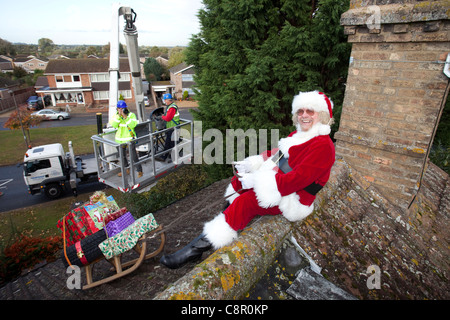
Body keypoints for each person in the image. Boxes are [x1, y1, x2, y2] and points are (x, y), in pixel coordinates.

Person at [160, 90, 336, 269]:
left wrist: (256, 181)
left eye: (310, 111)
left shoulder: (323, 146)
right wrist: (252, 164)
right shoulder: (297, 135)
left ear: (321, 115)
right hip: (280, 183)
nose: (304, 115)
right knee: (237, 183)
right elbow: (276, 156)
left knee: (246, 202)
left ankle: (194, 251)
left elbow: (297, 180)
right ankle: (226, 223)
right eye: (300, 111)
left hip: (294, 198)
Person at [110, 100, 143, 178]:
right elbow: (113, 124)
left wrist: (125, 117)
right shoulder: (116, 116)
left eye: (122, 108)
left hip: (129, 139)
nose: (121, 110)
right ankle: (126, 169)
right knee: (122, 156)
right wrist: (119, 116)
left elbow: (133, 125)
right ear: (117, 109)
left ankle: (139, 171)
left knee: (134, 156)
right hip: (119, 140)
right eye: (119, 108)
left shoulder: (131, 115)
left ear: (126, 108)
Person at [157, 93, 180, 162]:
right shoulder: (170, 106)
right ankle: (170, 156)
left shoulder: (172, 107)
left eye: (165, 100)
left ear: (168, 100)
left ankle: (165, 157)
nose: (164, 101)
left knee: (169, 143)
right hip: (171, 127)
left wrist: (161, 117)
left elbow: (168, 118)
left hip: (173, 128)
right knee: (171, 143)